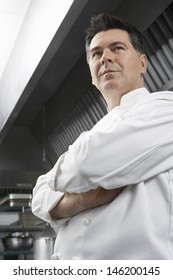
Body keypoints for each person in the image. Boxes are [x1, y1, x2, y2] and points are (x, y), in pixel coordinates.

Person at [32, 13, 173, 260]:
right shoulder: (92, 134)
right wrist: (77, 202)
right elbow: (38, 195)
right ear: (91, 74)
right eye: (96, 54)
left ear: (142, 64)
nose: (105, 57)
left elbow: (84, 165)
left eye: (117, 48)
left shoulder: (165, 108)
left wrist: (61, 196)